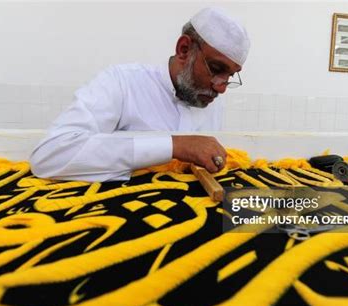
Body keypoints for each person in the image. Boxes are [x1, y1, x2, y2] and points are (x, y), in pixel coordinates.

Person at [30, 7, 250, 182]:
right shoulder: (122, 82)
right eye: (216, 69)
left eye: (230, 75)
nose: (221, 87)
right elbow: (49, 156)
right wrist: (174, 146)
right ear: (184, 49)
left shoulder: (209, 100)